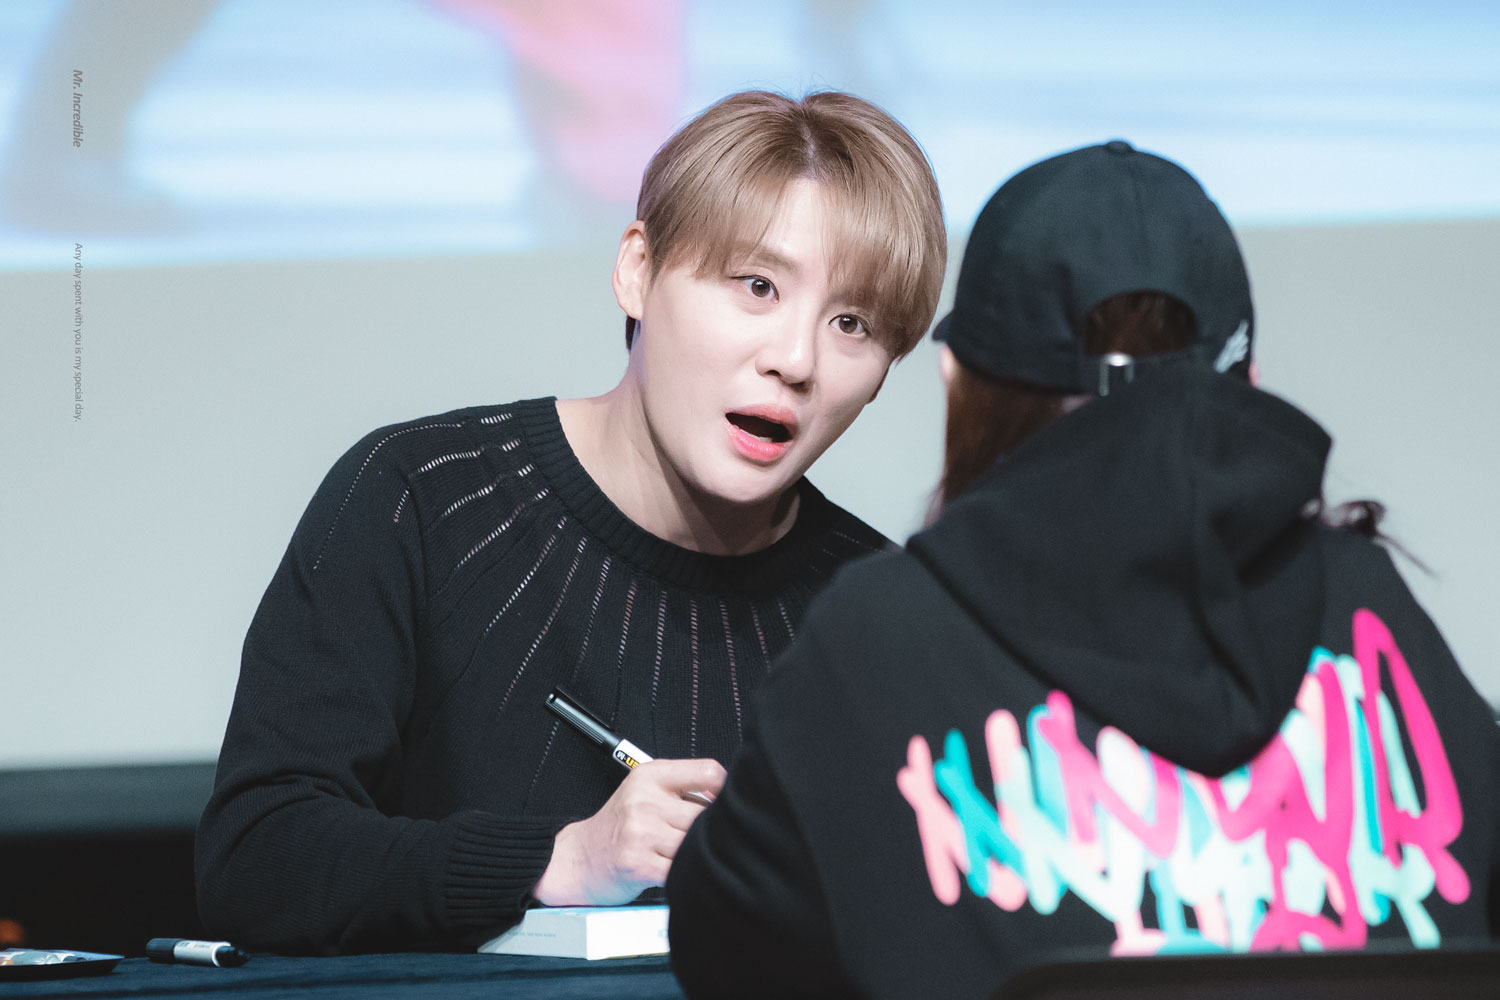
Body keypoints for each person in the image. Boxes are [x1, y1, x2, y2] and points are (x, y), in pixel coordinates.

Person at [666, 140, 1500, 998]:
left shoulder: (878, 644)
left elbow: (724, 953)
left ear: (958, 383)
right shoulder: (1368, 609)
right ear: (1246, 379)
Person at [194, 89, 946, 955]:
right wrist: (563, 859)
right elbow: (258, 859)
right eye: (757, 286)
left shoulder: (886, 614)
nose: (796, 359)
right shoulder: (421, 498)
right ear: (637, 270)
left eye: (852, 323)